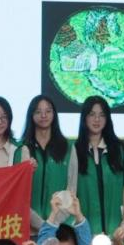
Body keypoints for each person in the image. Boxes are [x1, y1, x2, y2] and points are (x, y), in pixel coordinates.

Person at [69, 96, 124, 236]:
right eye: (92, 114)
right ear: (84, 118)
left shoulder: (119, 149)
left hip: (116, 230)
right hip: (84, 231)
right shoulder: (74, 151)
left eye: (102, 115)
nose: (97, 120)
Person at [21, 95, 73, 231]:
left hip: (60, 227)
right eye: (38, 111)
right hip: (28, 227)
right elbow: (18, 194)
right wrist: (42, 225)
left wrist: (53, 222)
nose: (43, 115)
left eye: (48, 111)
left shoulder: (68, 147)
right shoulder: (22, 148)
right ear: (31, 115)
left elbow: (72, 188)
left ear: (54, 114)